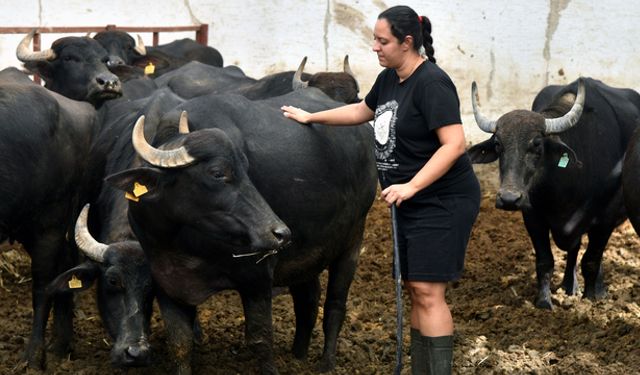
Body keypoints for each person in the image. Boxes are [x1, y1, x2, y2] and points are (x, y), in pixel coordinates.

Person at [281, 5, 480, 374]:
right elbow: (361, 111)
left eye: (382, 40)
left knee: (428, 291)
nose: (374, 47)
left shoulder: (432, 83)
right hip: (409, 199)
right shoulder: (391, 78)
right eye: (375, 38)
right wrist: (312, 116)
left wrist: (412, 185)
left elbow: (454, 144)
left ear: (407, 43)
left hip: (441, 198)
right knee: (415, 288)